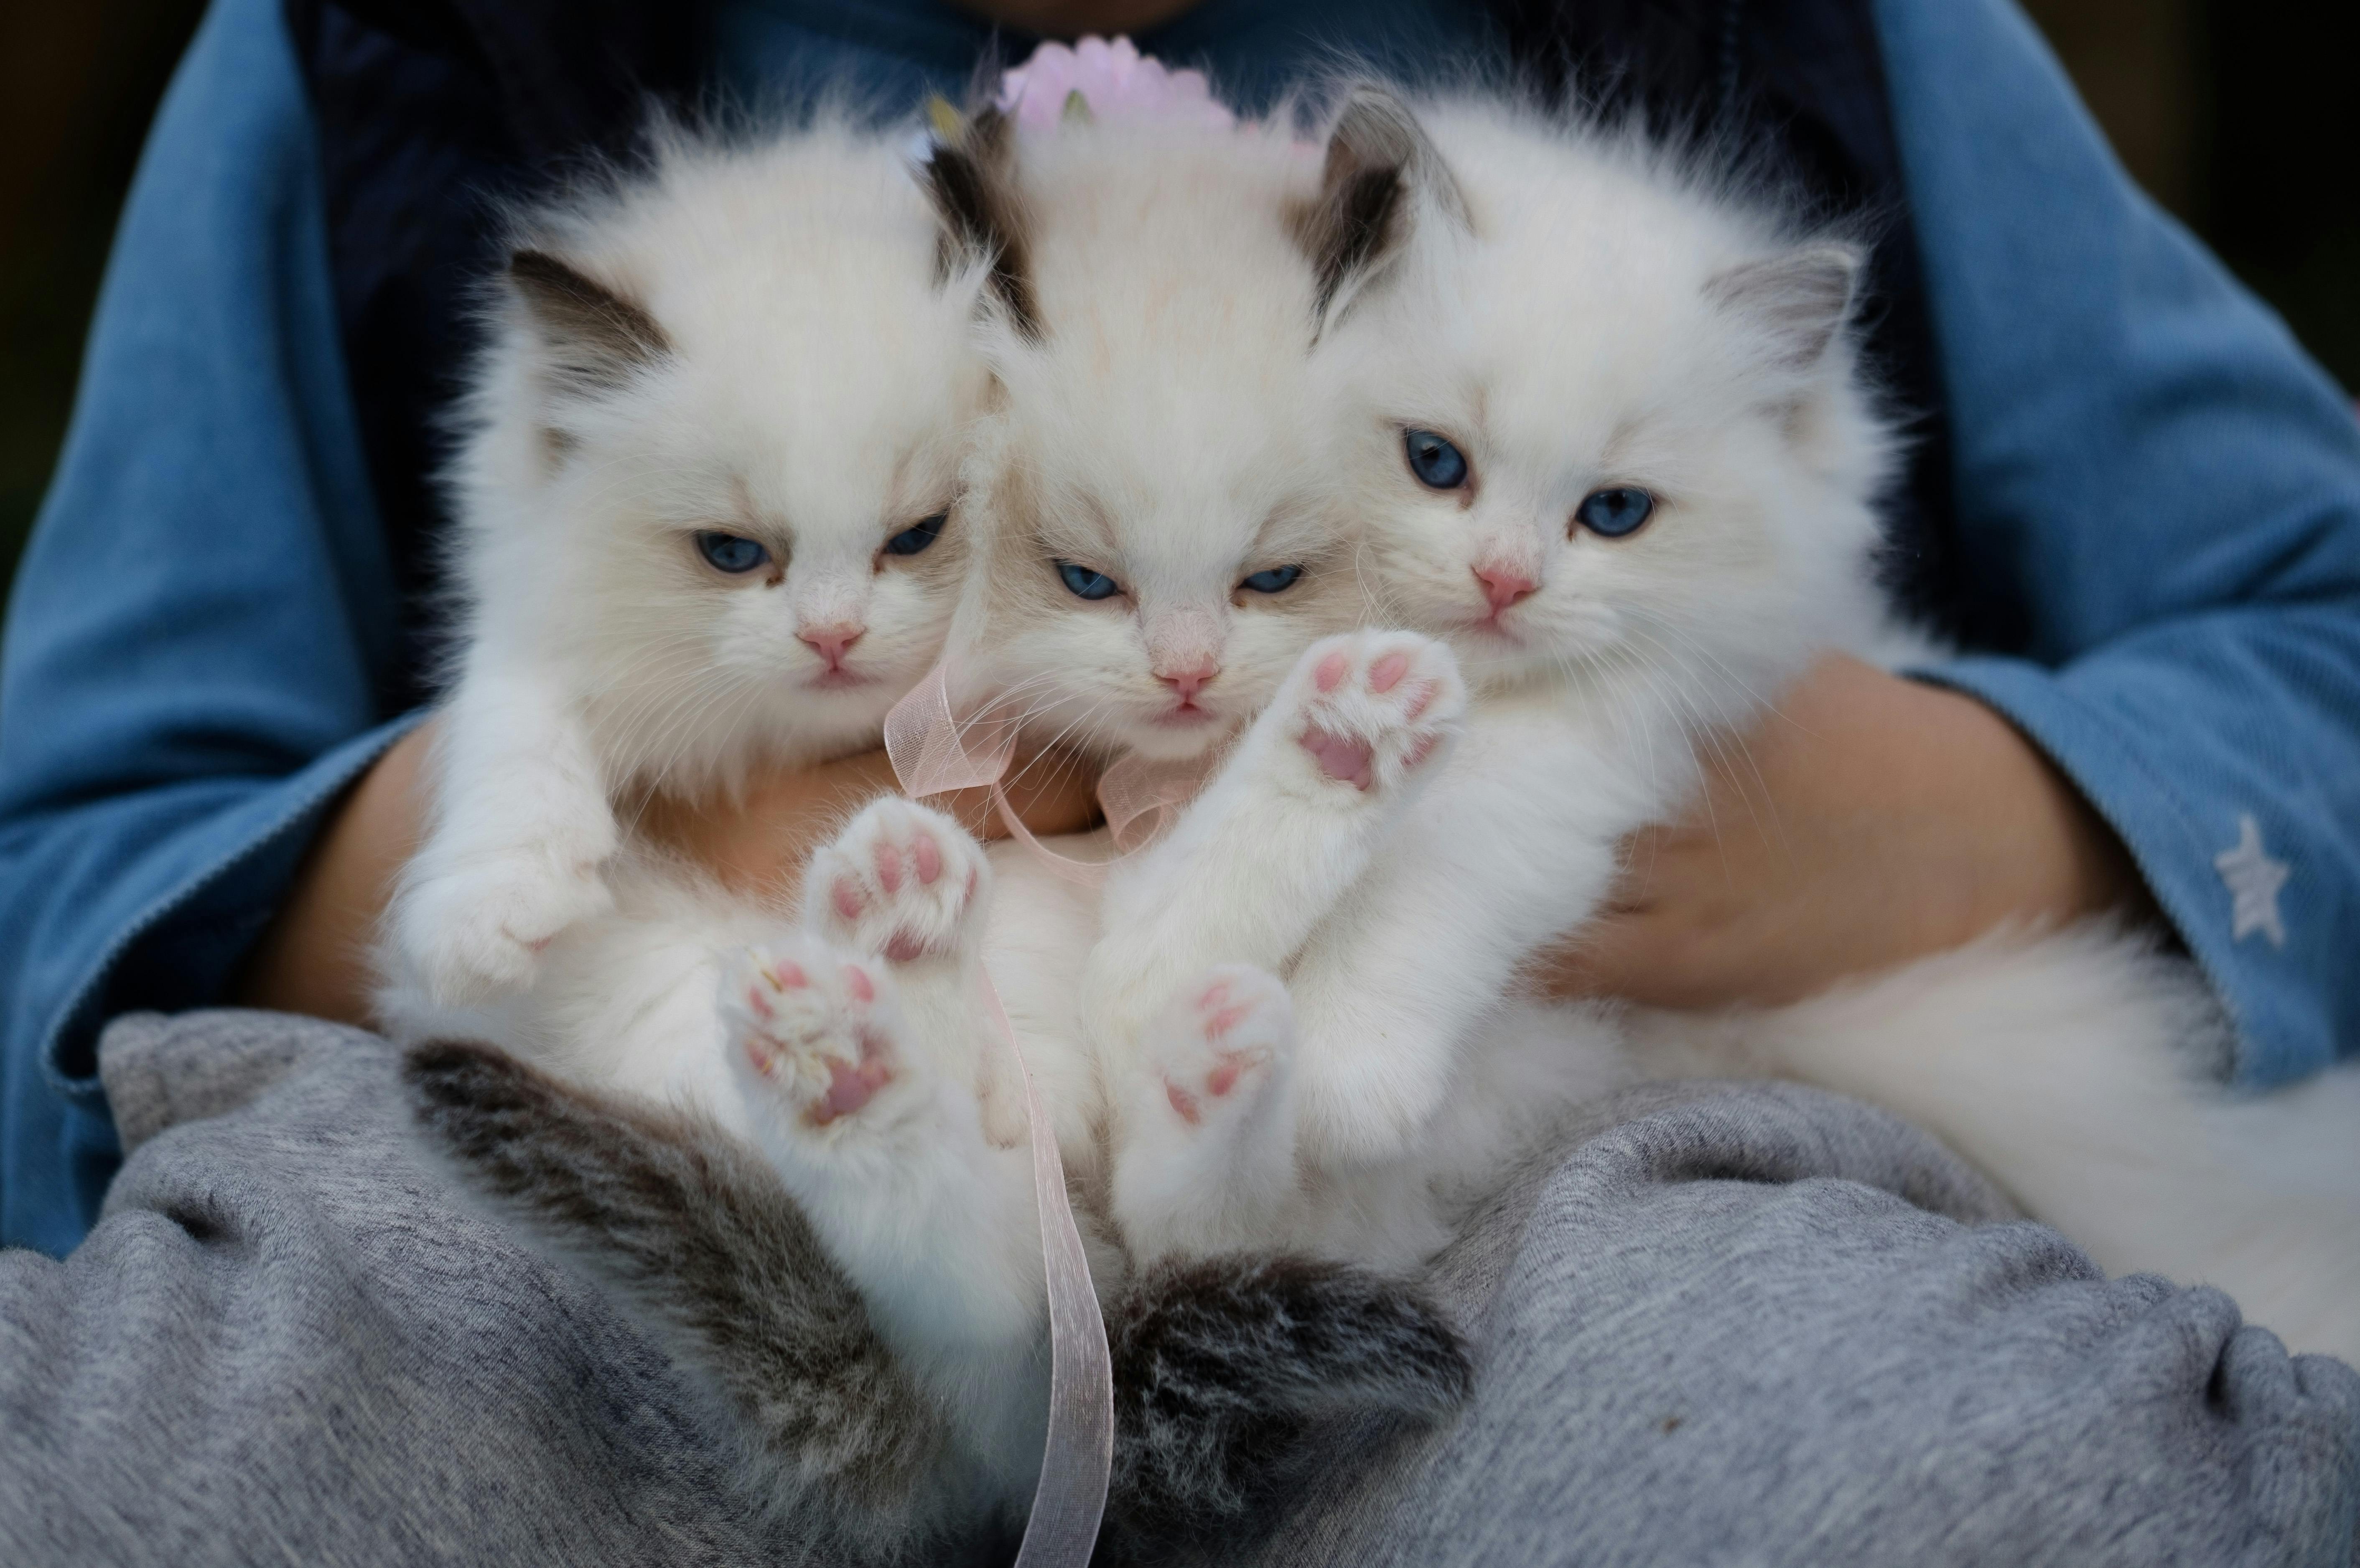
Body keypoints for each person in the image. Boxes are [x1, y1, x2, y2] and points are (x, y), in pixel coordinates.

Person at [0, 0, 2355, 1557]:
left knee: (1989, 1467)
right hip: (656, 1184)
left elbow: (2314, 611)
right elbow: (71, 849)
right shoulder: (384, 43)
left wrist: (1946, 812)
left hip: (1541, 1180)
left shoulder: (1803, 34)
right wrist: (656, 793)